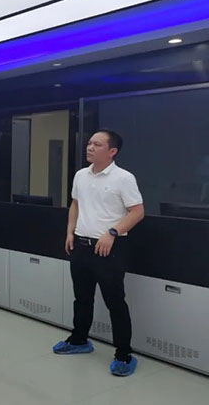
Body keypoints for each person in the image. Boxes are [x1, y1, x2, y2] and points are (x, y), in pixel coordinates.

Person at [53, 129, 144, 377]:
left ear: (112, 151)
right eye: (89, 143)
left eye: (97, 144)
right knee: (82, 298)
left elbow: (137, 211)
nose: (90, 147)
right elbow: (75, 204)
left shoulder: (124, 178)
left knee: (115, 302)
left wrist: (113, 232)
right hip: (81, 245)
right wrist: (70, 232)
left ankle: (124, 354)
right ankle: (79, 340)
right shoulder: (81, 175)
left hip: (109, 248)